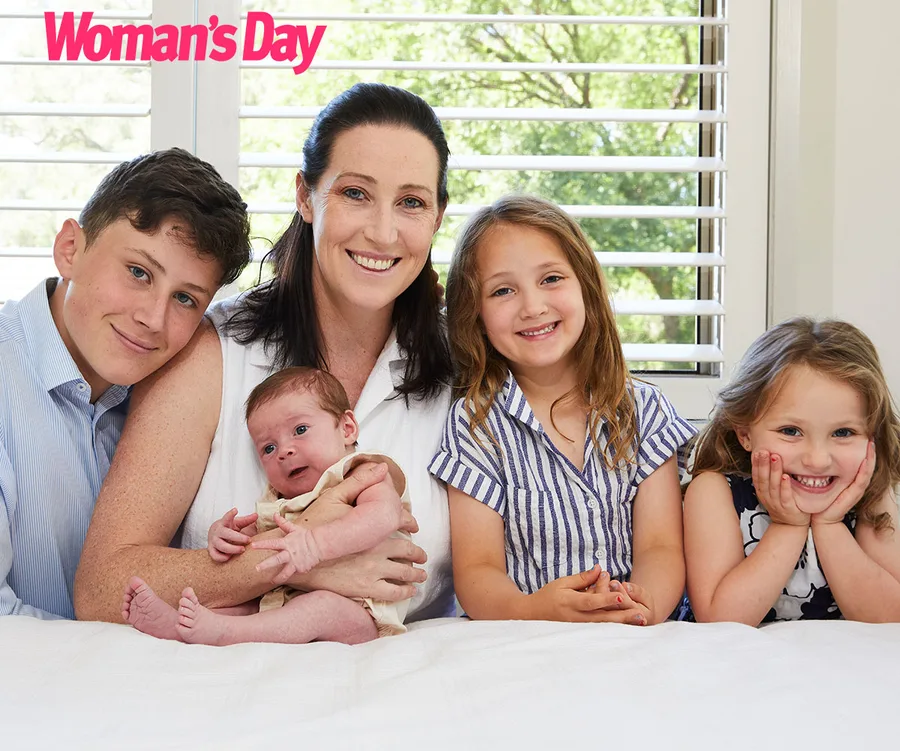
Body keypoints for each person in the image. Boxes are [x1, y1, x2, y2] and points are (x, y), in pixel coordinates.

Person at [74, 83, 455, 624]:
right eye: (355, 193)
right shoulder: (213, 352)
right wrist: (297, 564)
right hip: (226, 691)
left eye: (411, 202)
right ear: (305, 196)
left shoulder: (466, 369)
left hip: (404, 693)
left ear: (438, 217)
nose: (382, 231)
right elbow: (102, 588)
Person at [0, 148, 251, 618]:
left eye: (184, 299)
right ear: (70, 249)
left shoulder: (176, 394)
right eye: (138, 272)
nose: (152, 319)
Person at [429, 194, 696, 626]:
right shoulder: (475, 426)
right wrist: (533, 610)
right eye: (502, 290)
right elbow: (478, 573)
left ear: (585, 286)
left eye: (551, 279)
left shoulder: (645, 411)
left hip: (636, 640)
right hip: (527, 640)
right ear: (473, 316)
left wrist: (640, 607)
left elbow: (660, 548)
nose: (533, 306)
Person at [123, 366, 414, 645]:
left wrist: (316, 545)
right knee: (249, 604)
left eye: (300, 429)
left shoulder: (361, 470)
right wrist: (222, 536)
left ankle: (226, 633)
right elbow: (255, 543)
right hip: (287, 598)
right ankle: (181, 627)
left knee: (318, 608)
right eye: (268, 448)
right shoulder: (279, 498)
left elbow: (383, 516)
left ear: (347, 428)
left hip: (363, 615)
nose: (285, 451)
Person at [683, 317, 900, 625]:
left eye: (843, 433)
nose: (817, 460)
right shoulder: (714, 492)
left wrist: (829, 525)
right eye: (790, 431)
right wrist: (788, 527)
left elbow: (891, 620)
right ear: (745, 432)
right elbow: (720, 620)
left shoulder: (870, 493)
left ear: (872, 436)